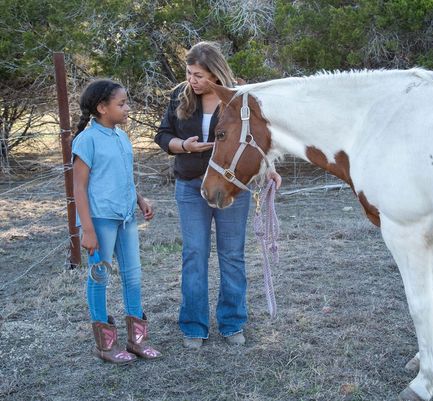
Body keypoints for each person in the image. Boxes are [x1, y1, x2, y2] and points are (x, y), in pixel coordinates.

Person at [154, 41, 281, 348]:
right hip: (190, 185)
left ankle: (232, 322)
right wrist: (184, 146)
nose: (192, 80)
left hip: (232, 186)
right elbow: (162, 135)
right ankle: (194, 326)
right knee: (194, 254)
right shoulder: (179, 95)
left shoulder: (240, 97)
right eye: (189, 73)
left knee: (232, 255)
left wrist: (268, 168)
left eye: (198, 75)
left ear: (215, 73)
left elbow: (257, 139)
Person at [72, 79, 162, 363]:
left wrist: (140, 199)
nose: (127, 108)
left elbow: (123, 177)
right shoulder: (86, 140)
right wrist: (87, 229)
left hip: (126, 218)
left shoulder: (122, 137)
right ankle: (105, 345)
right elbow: (79, 188)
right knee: (100, 277)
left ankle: (137, 341)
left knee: (132, 276)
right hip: (100, 219)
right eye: (121, 104)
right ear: (101, 108)